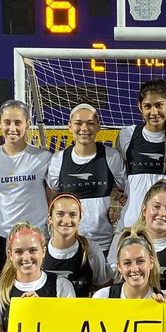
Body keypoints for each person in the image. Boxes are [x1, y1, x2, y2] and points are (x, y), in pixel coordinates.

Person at [115, 79, 166, 231]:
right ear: (140, 107)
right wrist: (126, 191)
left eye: (159, 105)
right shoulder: (127, 134)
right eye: (148, 106)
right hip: (133, 223)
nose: (154, 112)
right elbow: (121, 171)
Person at [46, 102, 126, 253]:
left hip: (103, 242)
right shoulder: (59, 159)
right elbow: (52, 194)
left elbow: (126, 192)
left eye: (90, 123)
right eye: (78, 123)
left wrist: (118, 210)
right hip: (69, 241)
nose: (84, 128)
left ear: (98, 126)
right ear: (69, 126)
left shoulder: (111, 156)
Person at [0, 99, 52, 236]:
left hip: (36, 234)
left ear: (27, 124)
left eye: (18, 123)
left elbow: (52, 198)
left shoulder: (43, 158)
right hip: (1, 235)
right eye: (7, 122)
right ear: (0, 122)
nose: (12, 128)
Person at [43, 193, 111, 298]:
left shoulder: (91, 250)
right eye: (60, 214)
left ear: (79, 219)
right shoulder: (40, 252)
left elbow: (102, 287)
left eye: (73, 215)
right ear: (50, 218)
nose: (66, 220)